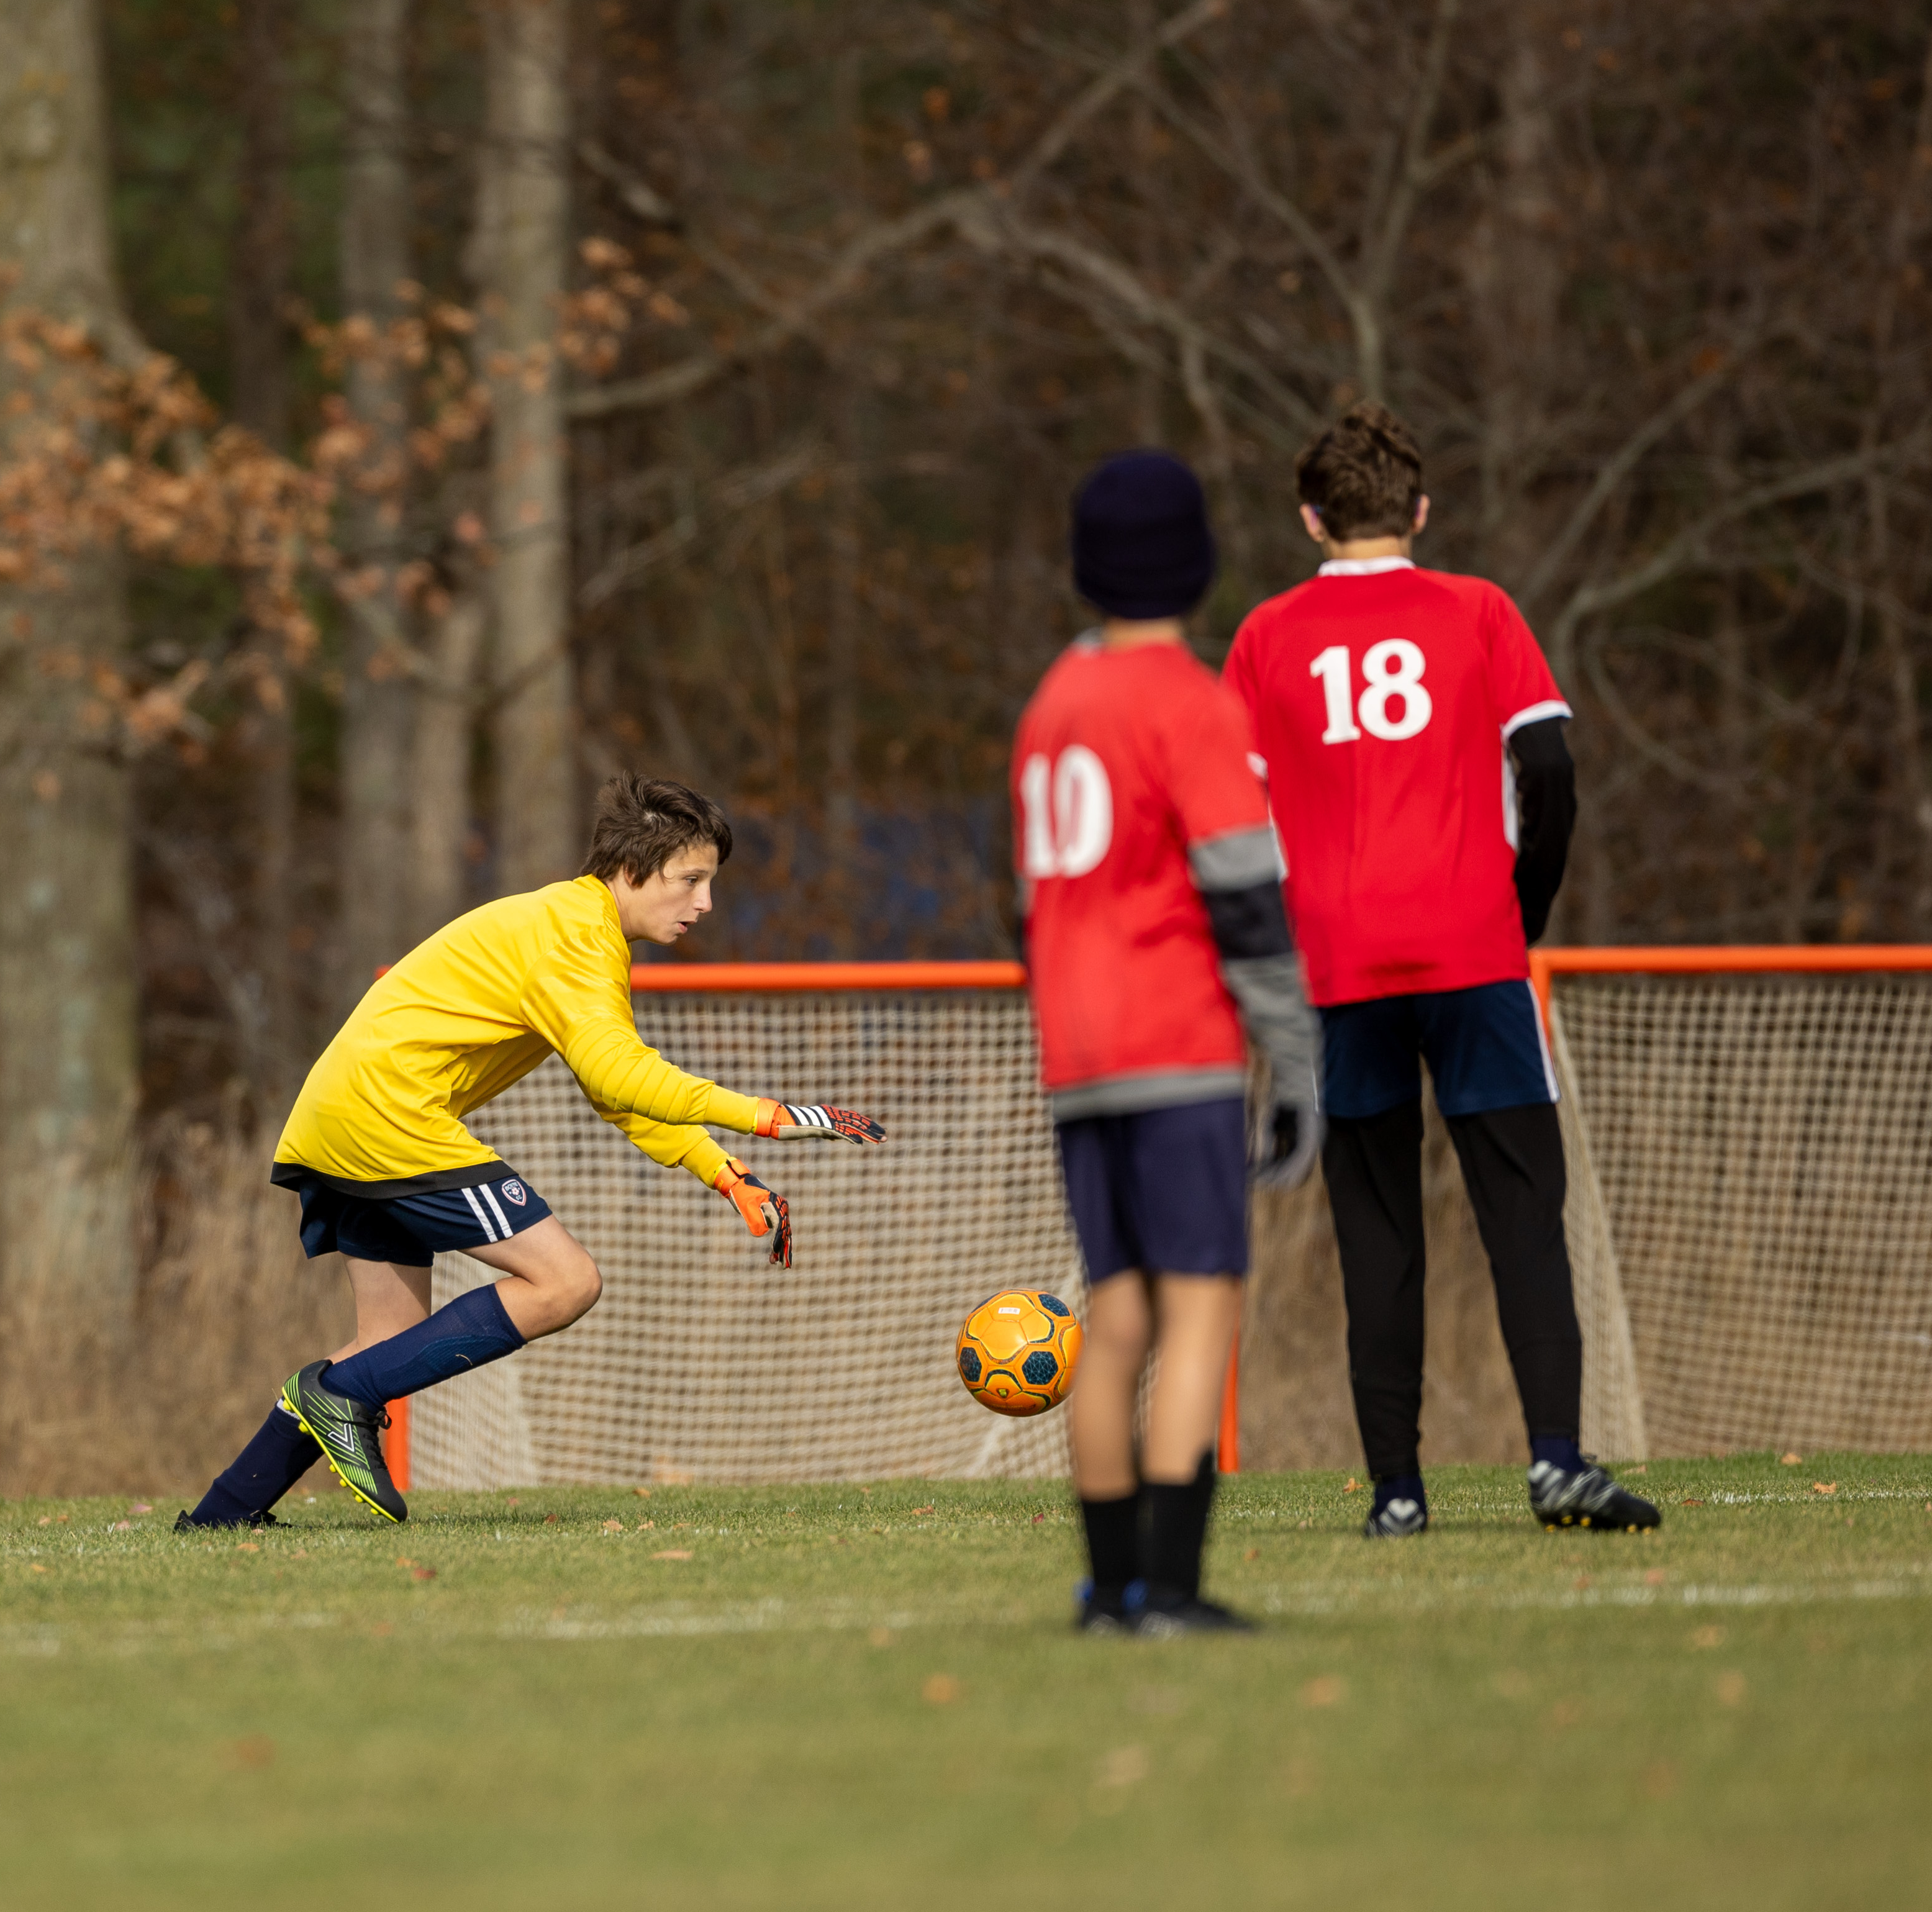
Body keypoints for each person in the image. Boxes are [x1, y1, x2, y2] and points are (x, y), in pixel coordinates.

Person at [178, 773, 884, 1529]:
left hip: (341, 1116)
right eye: (690, 879)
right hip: (390, 1115)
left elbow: (615, 1094)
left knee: (384, 1349)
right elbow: (620, 1073)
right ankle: (337, 1396)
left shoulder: (571, 924)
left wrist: (725, 1171)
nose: (705, 901)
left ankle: (222, 1514)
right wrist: (767, 1116)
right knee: (565, 1280)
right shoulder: (578, 936)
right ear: (631, 869)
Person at [1223, 402, 1659, 1538]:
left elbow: (1230, 817)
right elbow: (1547, 764)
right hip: (1472, 948)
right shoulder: (1478, 610)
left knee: (1375, 1231)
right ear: (1419, 510)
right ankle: (1556, 1462)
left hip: (1336, 967)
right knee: (1522, 1212)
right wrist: (1522, 906)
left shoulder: (1266, 636)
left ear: (1311, 519)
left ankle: (1398, 1493)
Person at [1016, 448, 1323, 1638]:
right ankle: (1174, 1590)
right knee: (1199, 1306)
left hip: (1076, 1053)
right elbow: (1244, 898)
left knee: (1119, 1313)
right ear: (1194, 565)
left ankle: (1108, 1592)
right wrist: (1294, 1066)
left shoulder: (1050, 704)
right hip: (1175, 1043)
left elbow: (1027, 903)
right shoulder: (1189, 701)